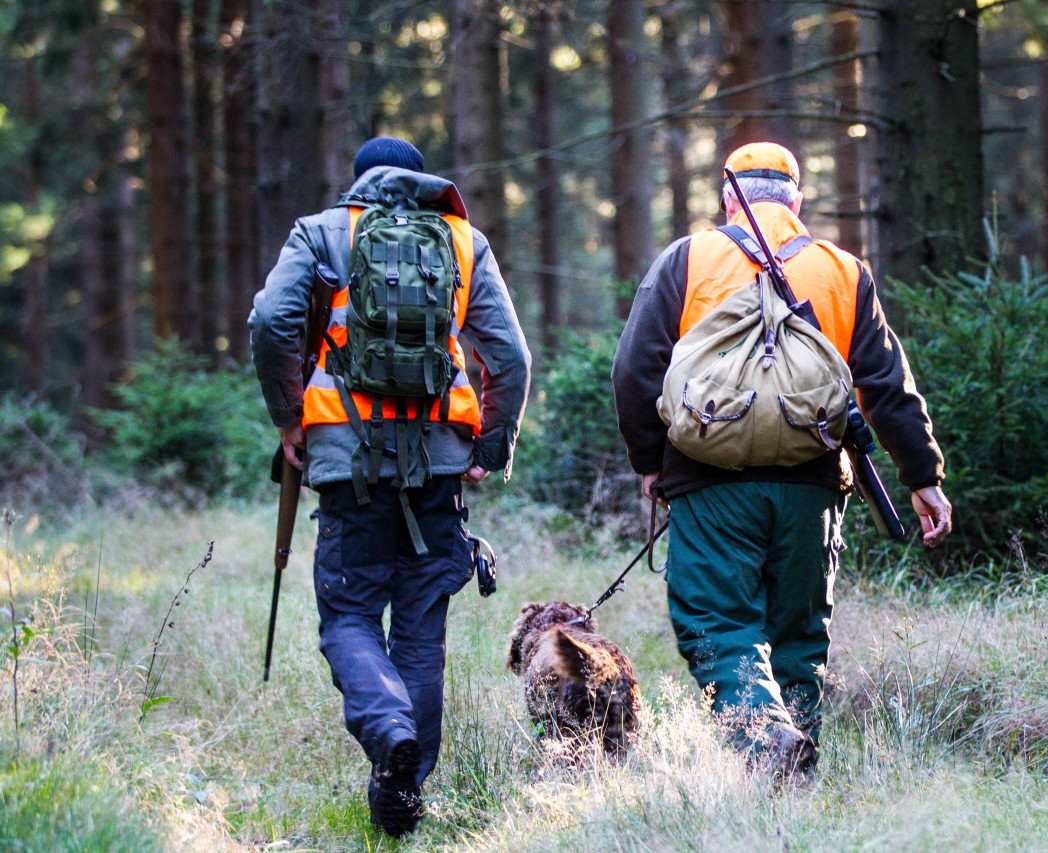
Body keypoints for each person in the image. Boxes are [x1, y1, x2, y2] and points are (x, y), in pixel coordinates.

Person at [612, 141, 952, 776]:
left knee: (716, 622)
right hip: (813, 480)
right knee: (798, 633)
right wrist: (922, 476)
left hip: (710, 482)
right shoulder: (842, 269)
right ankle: (796, 775)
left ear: (726, 198)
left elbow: (635, 368)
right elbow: (885, 382)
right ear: (796, 202)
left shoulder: (687, 259)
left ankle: (765, 743)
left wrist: (651, 461)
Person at [249, 136, 531, 836]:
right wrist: (489, 446)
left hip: (345, 461)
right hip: (439, 464)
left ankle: (387, 731)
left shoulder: (322, 231)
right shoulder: (464, 241)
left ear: (360, 182)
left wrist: (291, 418)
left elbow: (270, 321)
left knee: (347, 616)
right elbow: (512, 356)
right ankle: (405, 794)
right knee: (421, 627)